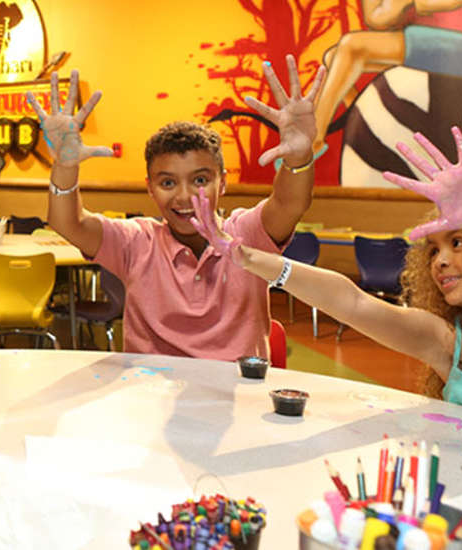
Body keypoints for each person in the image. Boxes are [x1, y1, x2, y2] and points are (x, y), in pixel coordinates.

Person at [191, 126, 462, 424]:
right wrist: (248, 257)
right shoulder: (449, 341)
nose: (440, 261)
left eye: (457, 243)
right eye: (433, 250)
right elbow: (351, 302)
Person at [25, 56, 326, 361]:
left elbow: (291, 203)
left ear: (222, 183)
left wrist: (299, 155)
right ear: (150, 189)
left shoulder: (248, 234)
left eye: (200, 180)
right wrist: (64, 166)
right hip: (151, 391)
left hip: (234, 397)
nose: (184, 197)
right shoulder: (136, 242)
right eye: (167, 183)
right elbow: (69, 223)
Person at [312, 0, 462, 153]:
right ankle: (361, 120)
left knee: (352, 46)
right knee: (335, 57)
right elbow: (379, 18)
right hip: (436, 39)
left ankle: (314, 140)